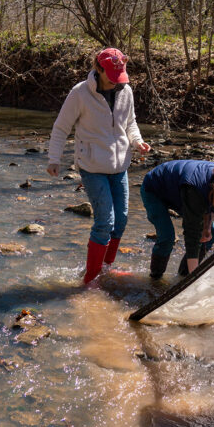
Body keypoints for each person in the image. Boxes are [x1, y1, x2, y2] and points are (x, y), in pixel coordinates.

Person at [47, 48, 151, 285]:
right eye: (112, 75)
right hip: (92, 166)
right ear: (99, 68)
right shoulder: (80, 93)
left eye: (120, 75)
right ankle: (91, 278)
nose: (117, 81)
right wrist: (54, 159)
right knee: (105, 221)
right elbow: (61, 127)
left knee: (121, 219)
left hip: (120, 165)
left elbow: (131, 123)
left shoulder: (127, 91)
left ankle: (105, 268)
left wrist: (138, 142)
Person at [141, 160, 214, 278]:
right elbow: (192, 234)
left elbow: (213, 205)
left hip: (179, 191)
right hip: (154, 189)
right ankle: (156, 277)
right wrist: (194, 276)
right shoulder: (195, 189)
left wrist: (207, 226)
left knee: (211, 233)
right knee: (167, 236)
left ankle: (183, 276)